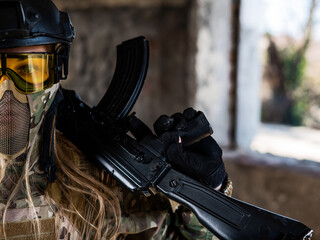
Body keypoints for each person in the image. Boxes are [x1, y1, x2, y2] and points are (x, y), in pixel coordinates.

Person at [0, 0, 231, 239]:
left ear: (57, 70)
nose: (6, 91)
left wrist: (206, 193)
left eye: (28, 70)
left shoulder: (90, 181)